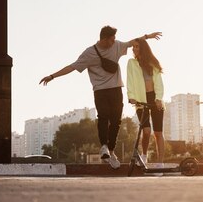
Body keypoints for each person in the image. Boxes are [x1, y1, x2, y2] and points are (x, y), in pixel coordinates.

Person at [39, 26, 162, 169]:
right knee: (104, 116)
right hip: (100, 91)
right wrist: (52, 76)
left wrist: (148, 36)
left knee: (116, 121)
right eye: (112, 39)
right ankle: (104, 146)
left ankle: (110, 151)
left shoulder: (116, 45)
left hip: (116, 89)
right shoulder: (89, 53)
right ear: (104, 39)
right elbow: (72, 67)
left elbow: (131, 42)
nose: (115, 41)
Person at [127, 38, 165, 170]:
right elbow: (130, 80)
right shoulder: (131, 63)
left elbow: (159, 83)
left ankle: (160, 163)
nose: (134, 49)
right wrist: (131, 96)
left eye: (136, 46)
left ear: (142, 48)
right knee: (147, 131)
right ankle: (144, 155)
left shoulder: (153, 64)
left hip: (154, 98)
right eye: (133, 47)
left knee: (158, 133)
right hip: (140, 99)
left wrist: (159, 98)